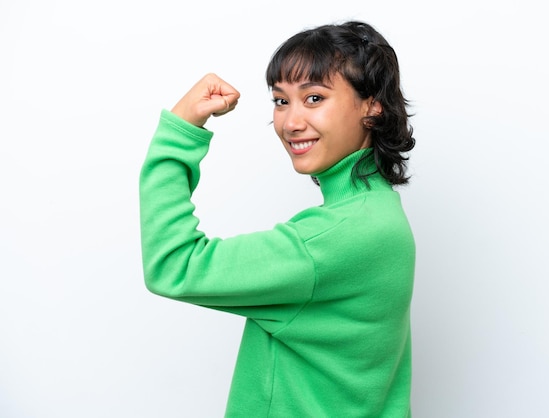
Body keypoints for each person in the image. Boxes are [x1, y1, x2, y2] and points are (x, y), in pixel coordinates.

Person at [139, 20, 416, 417]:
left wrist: (180, 130)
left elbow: (173, 266)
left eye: (315, 98)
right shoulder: (379, 213)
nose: (290, 122)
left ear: (373, 105)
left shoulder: (335, 237)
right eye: (281, 100)